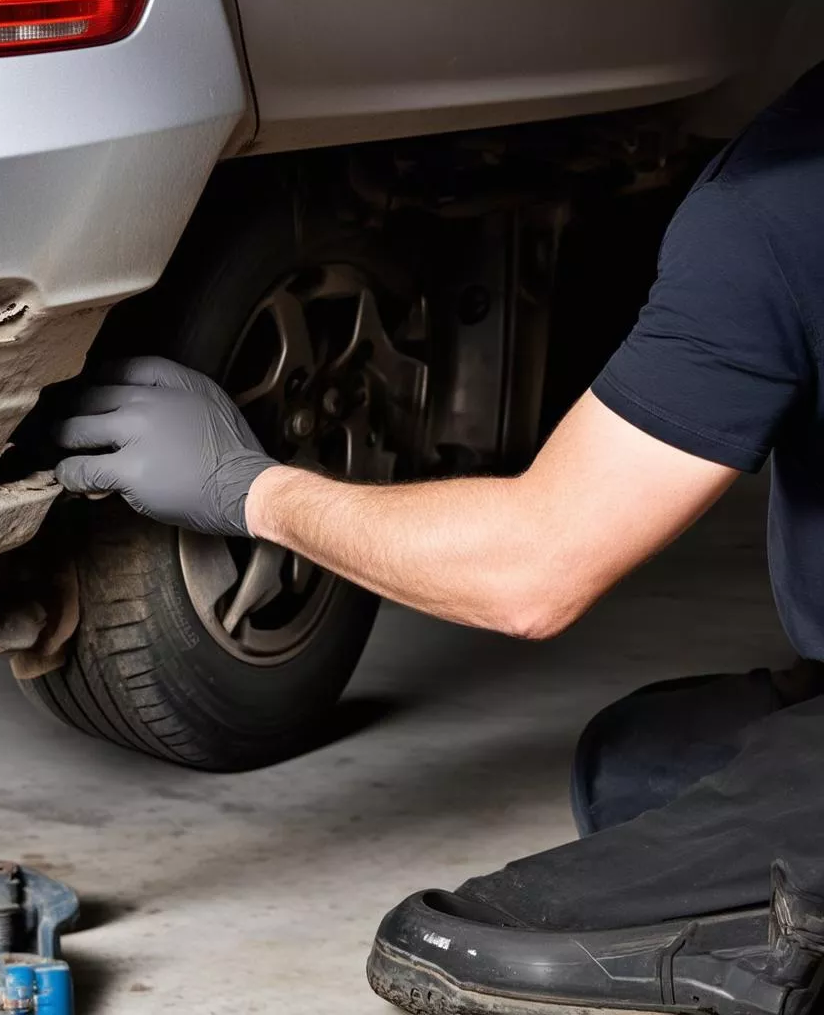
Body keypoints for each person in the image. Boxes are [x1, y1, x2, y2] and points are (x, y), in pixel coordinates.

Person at [55, 65, 824, 1015]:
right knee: (636, 766)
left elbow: (532, 570)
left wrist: (247, 490)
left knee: (463, 950)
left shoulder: (786, 192)